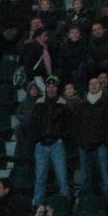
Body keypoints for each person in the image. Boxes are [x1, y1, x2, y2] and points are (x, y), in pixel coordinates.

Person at [73, 76, 108, 210]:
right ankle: (84, 208)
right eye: (91, 83)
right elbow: (75, 126)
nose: (93, 86)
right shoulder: (82, 106)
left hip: (101, 146)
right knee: (85, 181)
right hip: (84, 147)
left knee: (106, 180)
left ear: (101, 87)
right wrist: (80, 141)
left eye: (96, 84)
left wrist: (106, 141)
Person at [30, 76, 72, 207]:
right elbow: (33, 124)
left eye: (53, 86)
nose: (51, 88)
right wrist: (37, 140)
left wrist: (61, 138)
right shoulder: (39, 105)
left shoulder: (63, 105)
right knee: (40, 180)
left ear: (57, 88)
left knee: (62, 180)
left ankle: (65, 206)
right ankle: (38, 208)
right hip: (41, 145)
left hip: (57, 145)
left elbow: (69, 125)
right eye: (49, 86)